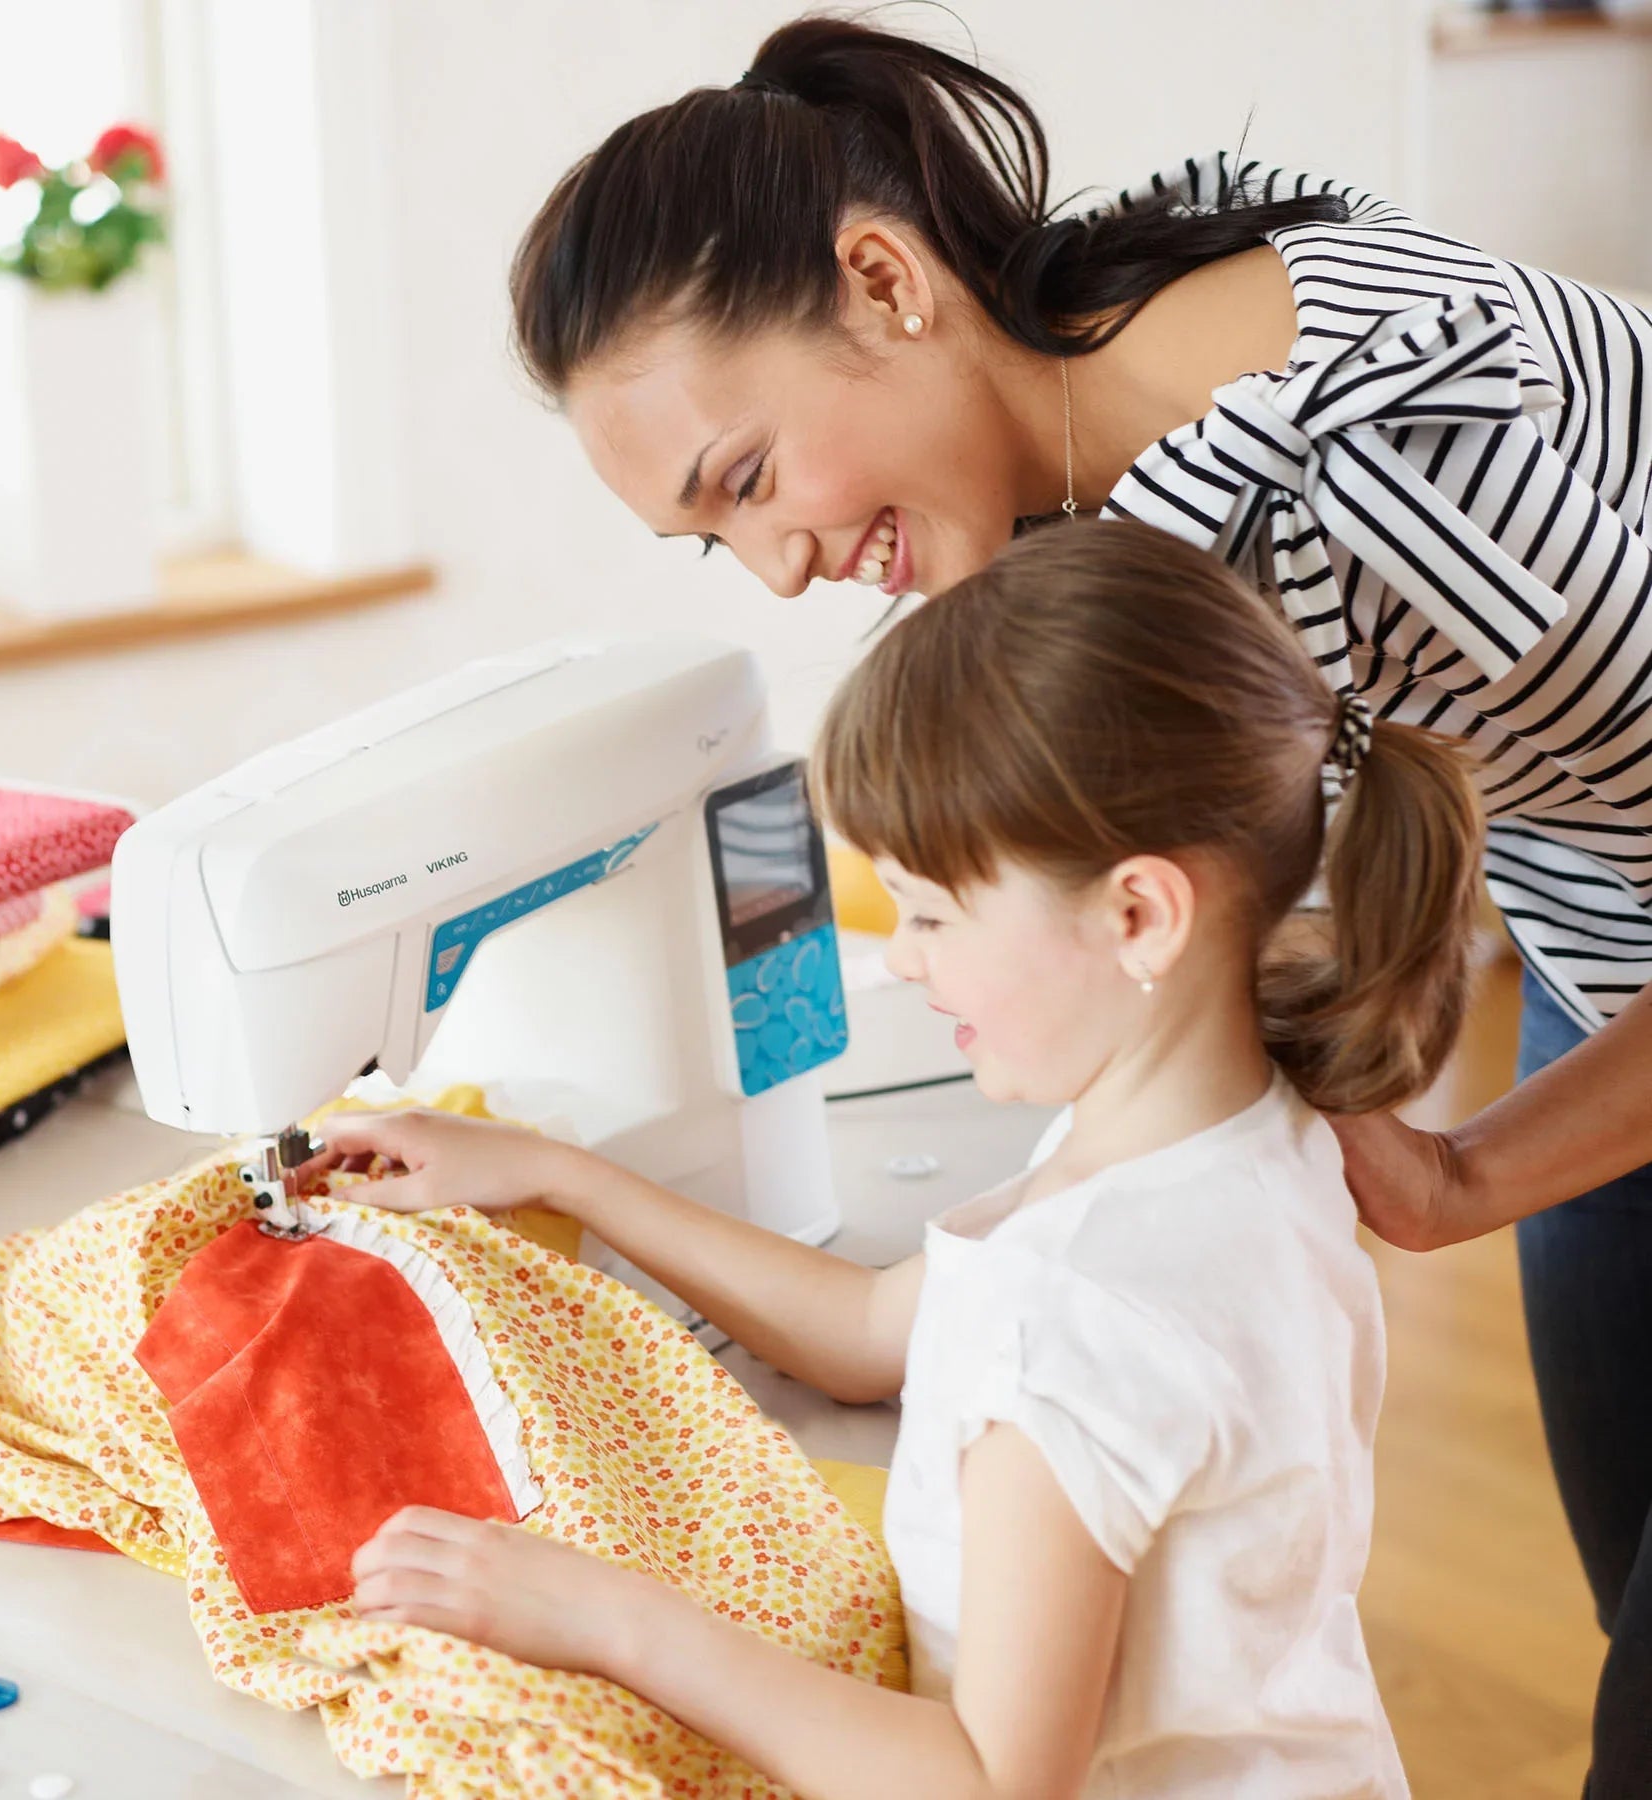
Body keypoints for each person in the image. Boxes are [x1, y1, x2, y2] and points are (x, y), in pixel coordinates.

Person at [504, 20, 1652, 1786]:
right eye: (707, 538)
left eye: (746, 479)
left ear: (882, 280)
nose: (780, 567)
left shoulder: (1407, 462)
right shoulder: (1088, 401)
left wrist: (1480, 1170)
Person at [315, 522, 1471, 1797]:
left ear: (1136, 913)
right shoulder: (1251, 1143)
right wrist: (558, 1178)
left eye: (931, 912)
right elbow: (872, 1333)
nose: (906, 957)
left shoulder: (1075, 1315)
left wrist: (609, 1619)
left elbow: (986, 1785)